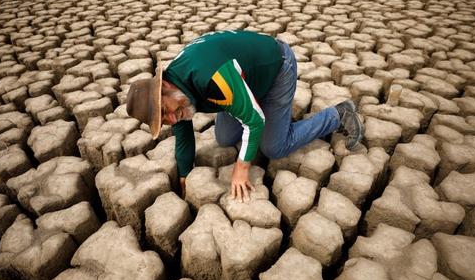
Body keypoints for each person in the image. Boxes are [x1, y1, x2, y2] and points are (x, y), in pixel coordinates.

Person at [126, 30, 363, 202]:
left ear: (163, 85)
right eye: (163, 119)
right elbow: (184, 134)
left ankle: (337, 115)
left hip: (276, 67)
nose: (171, 118)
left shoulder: (212, 79)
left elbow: (254, 121)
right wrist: (185, 175)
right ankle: (248, 100)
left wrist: (241, 167)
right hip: (242, 78)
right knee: (225, 137)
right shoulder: (175, 94)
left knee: (274, 147)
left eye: (166, 112)